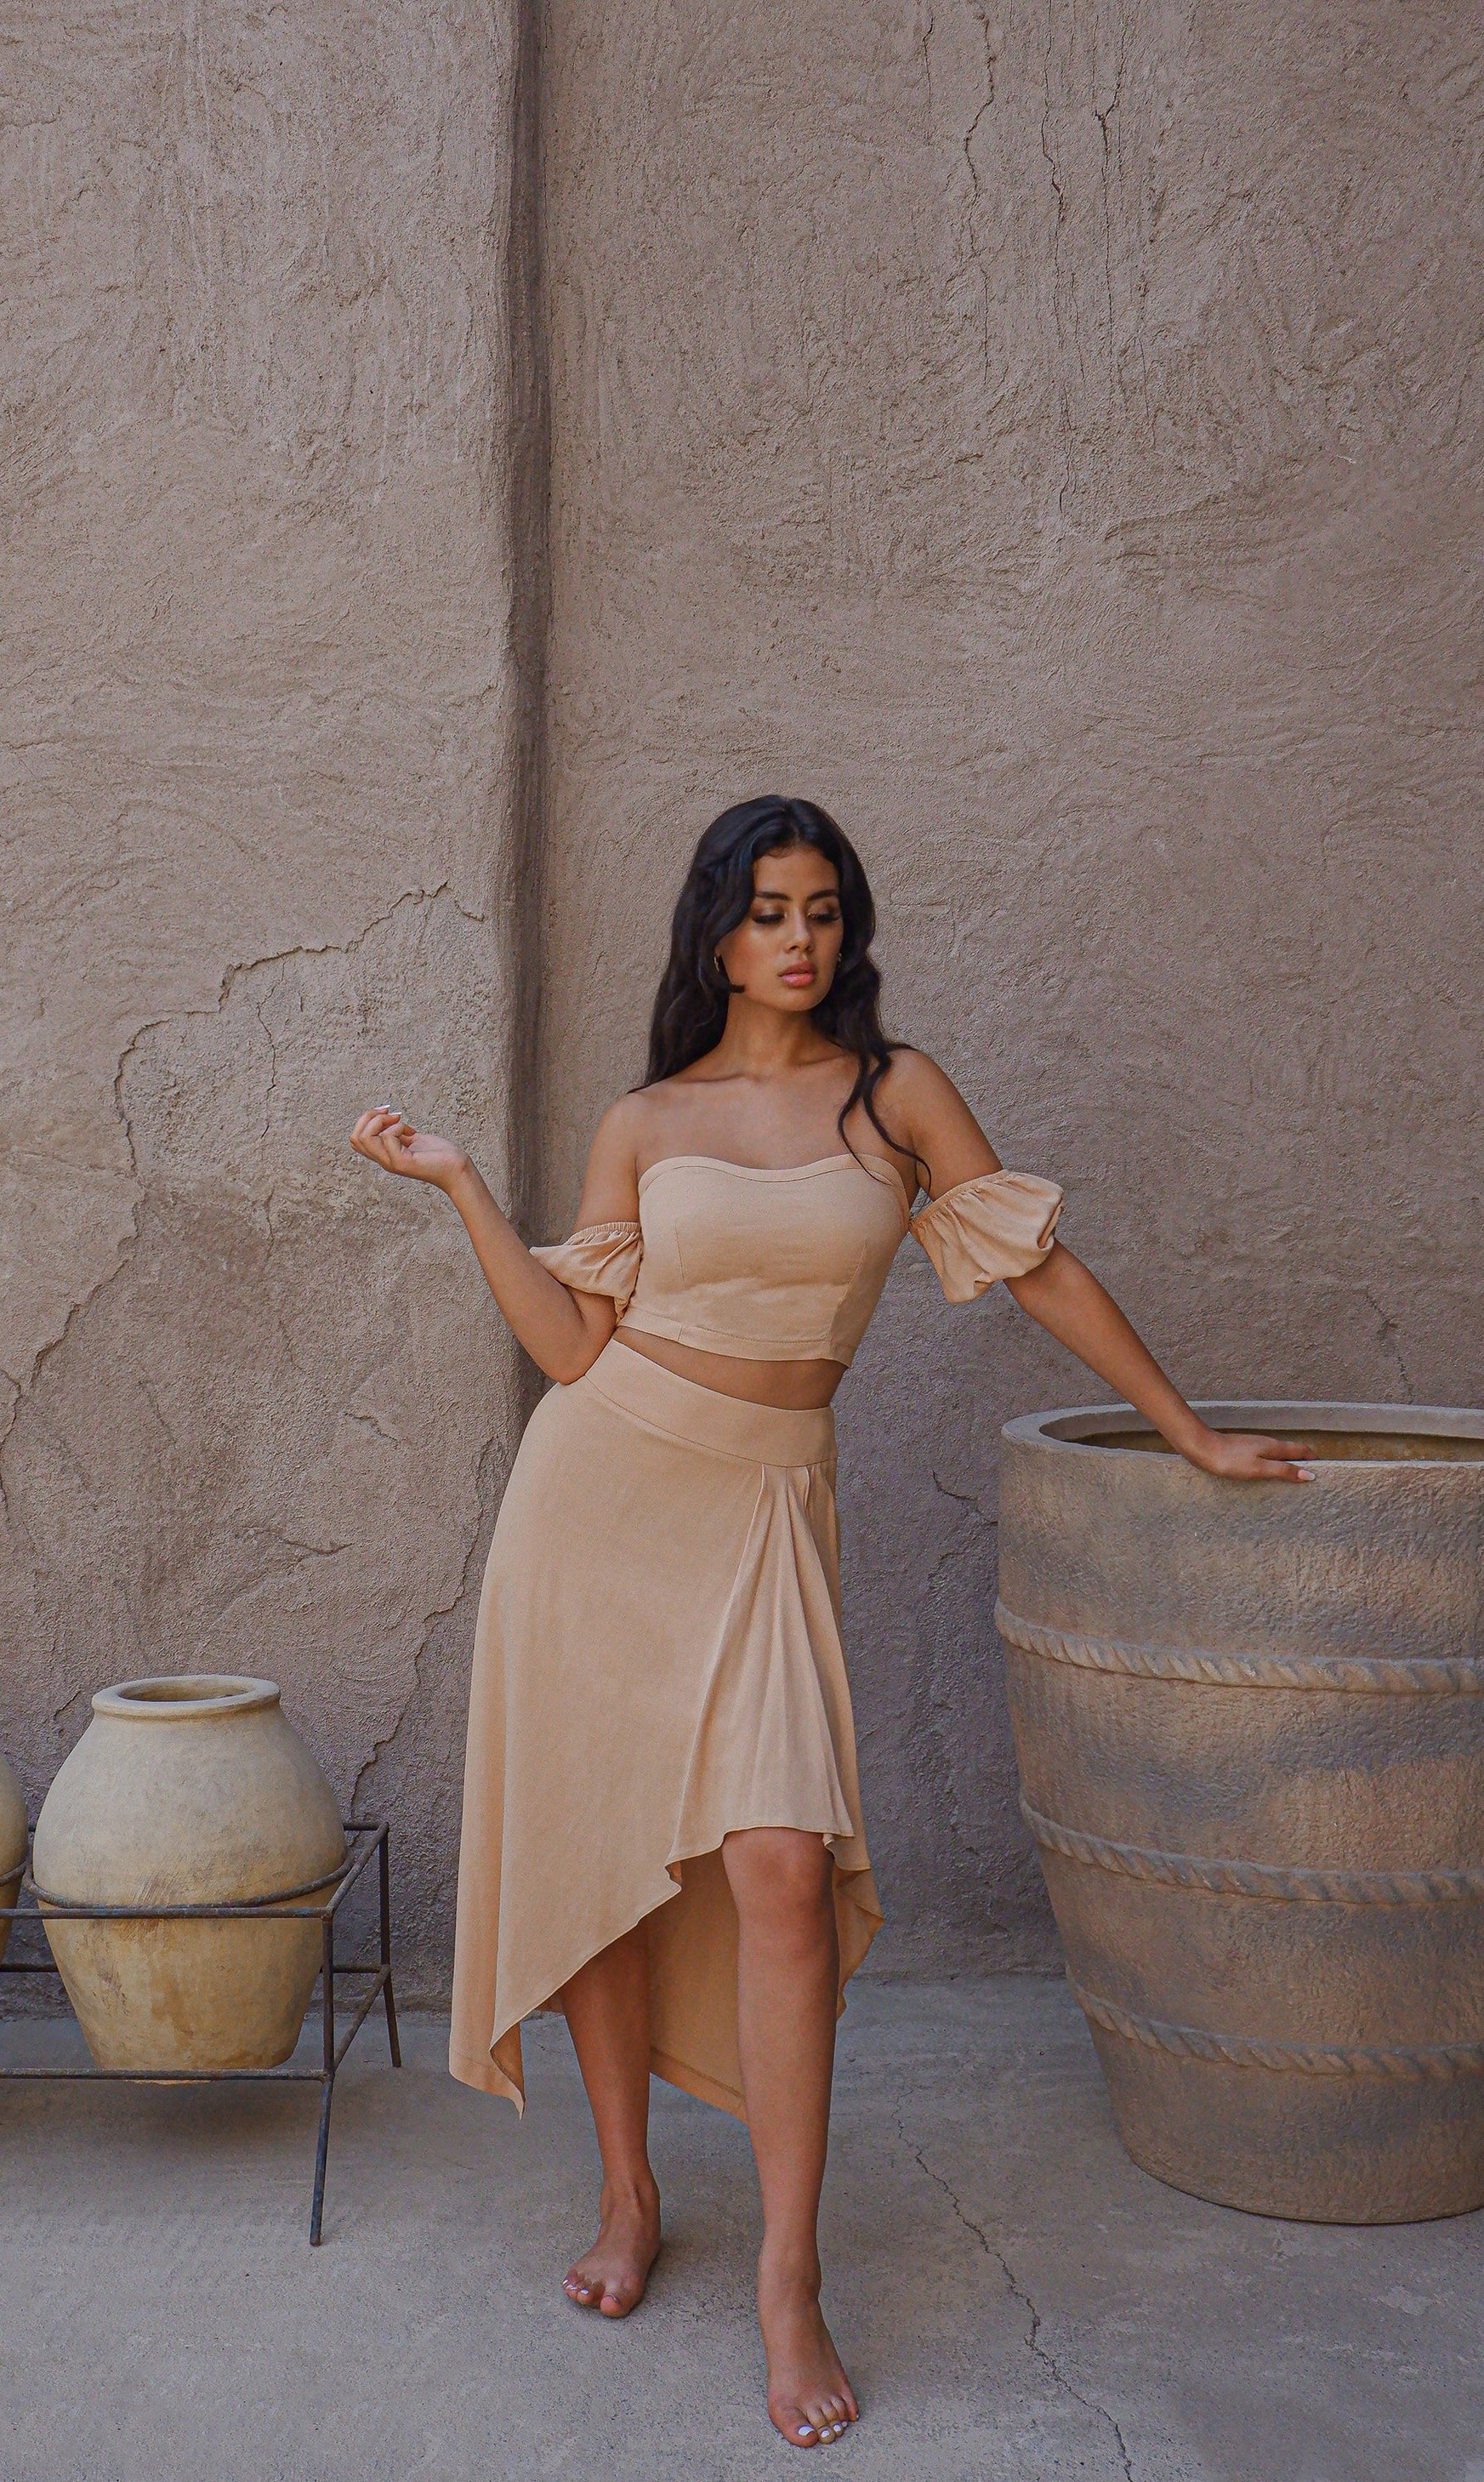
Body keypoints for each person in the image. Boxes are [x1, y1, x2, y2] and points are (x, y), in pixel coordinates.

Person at [350, 794, 1309, 2450]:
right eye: (766, 911)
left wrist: (1189, 1431)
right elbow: (573, 1348)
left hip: (762, 1508)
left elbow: (1037, 1266)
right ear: (715, 934)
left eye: (821, 910)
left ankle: (787, 2277)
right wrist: (458, 1189)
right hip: (597, 1500)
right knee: (596, 1858)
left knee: (783, 1869)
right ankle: (629, 2191)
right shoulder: (646, 1118)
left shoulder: (894, 1092)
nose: (798, 940)